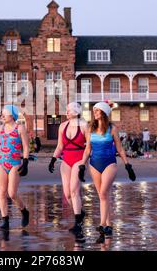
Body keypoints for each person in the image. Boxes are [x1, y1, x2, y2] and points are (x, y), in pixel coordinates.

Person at [82, 101, 135, 241]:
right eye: (94, 110)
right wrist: (82, 165)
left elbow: (119, 148)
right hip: (94, 164)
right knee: (102, 196)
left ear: (104, 112)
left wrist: (128, 165)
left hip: (109, 163)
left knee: (104, 193)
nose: (95, 113)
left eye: (98, 110)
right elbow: (87, 149)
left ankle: (101, 225)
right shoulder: (90, 128)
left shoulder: (112, 129)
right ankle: (109, 225)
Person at [48, 102, 89, 240]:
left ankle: (78, 223)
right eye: (67, 110)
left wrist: (83, 164)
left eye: (70, 110)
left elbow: (89, 146)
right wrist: (53, 159)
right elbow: (60, 145)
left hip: (79, 158)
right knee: (67, 194)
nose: (67, 112)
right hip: (66, 159)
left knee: (74, 190)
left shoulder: (84, 126)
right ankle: (80, 213)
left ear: (77, 112)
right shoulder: (62, 126)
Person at [0, 105, 30, 230]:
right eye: (2, 113)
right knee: (2, 193)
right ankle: (5, 221)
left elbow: (26, 146)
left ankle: (24, 211)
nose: (2, 116)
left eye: (5, 114)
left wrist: (25, 162)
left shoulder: (20, 128)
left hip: (15, 163)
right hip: (2, 163)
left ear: (12, 115)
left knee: (12, 193)